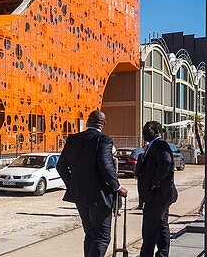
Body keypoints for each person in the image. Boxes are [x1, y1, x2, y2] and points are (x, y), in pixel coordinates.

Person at [57, 110, 128, 257]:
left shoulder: (73, 139)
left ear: (88, 121)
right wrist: (118, 187)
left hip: (80, 196)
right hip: (100, 197)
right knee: (102, 237)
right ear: (104, 124)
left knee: (90, 234)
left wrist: (72, 185)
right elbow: (105, 165)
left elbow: (61, 166)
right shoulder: (104, 139)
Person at [135, 121, 176, 257]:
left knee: (150, 227)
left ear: (156, 131)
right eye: (143, 129)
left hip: (159, 194)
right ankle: (162, 254)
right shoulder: (151, 146)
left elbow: (166, 161)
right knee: (160, 225)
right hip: (157, 194)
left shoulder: (160, 145)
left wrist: (155, 182)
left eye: (147, 130)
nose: (144, 132)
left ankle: (150, 254)